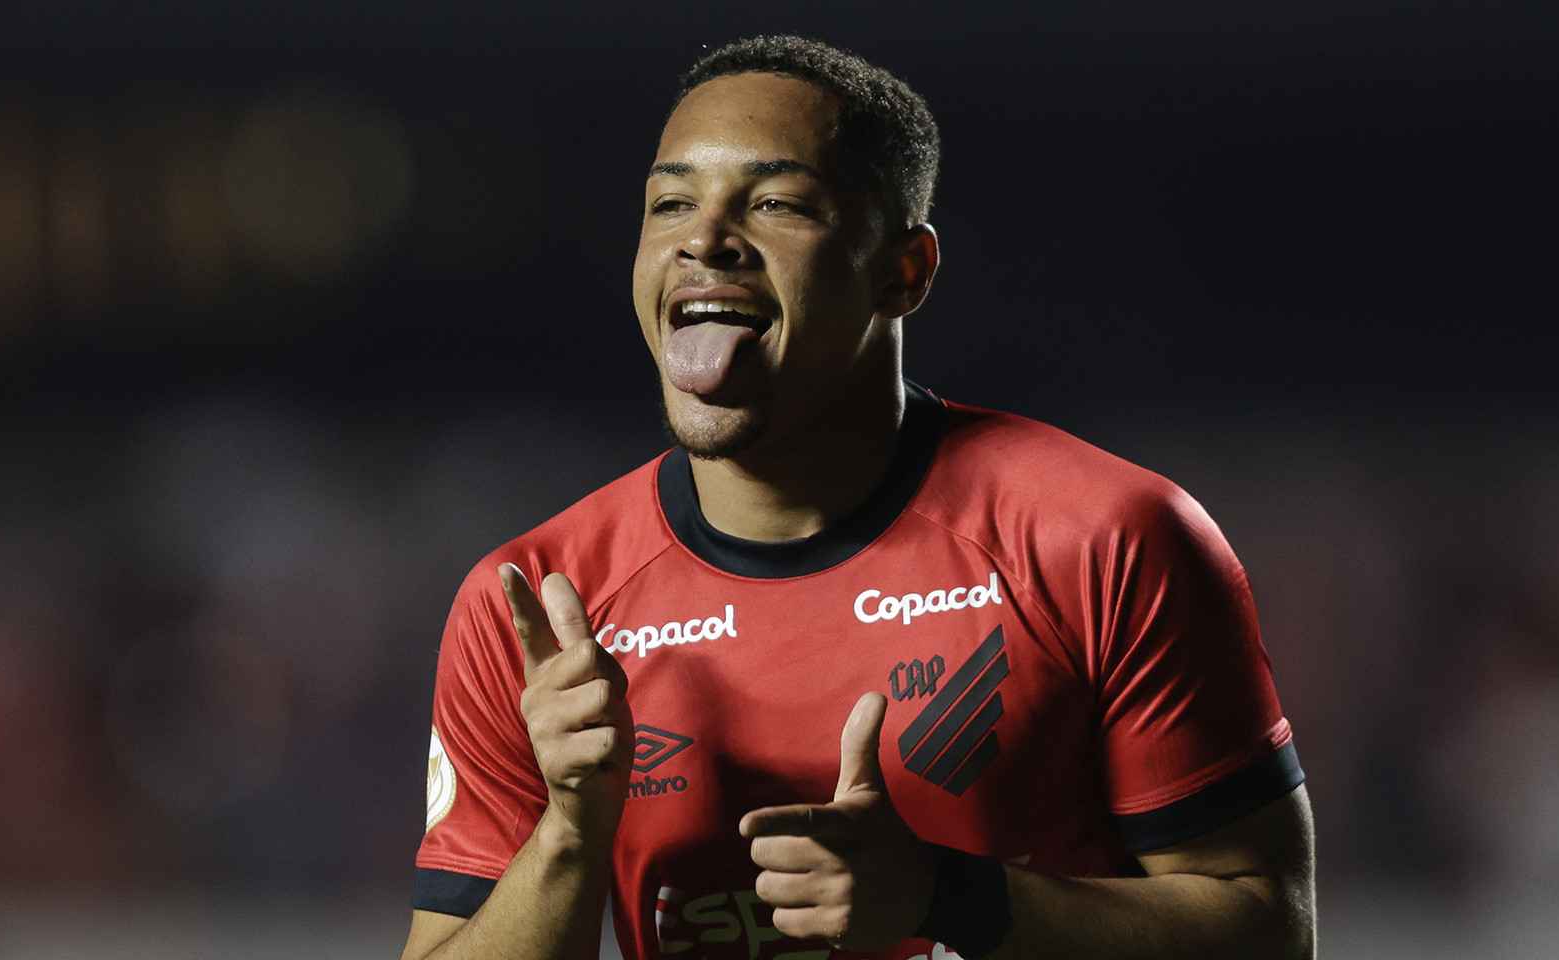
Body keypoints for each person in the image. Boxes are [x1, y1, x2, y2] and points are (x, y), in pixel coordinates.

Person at [400, 35, 1315, 960]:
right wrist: (567, 834)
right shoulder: (535, 607)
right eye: (670, 202)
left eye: (776, 203)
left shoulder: (1104, 539)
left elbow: (1271, 933)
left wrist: (946, 897)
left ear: (903, 272)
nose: (704, 237)